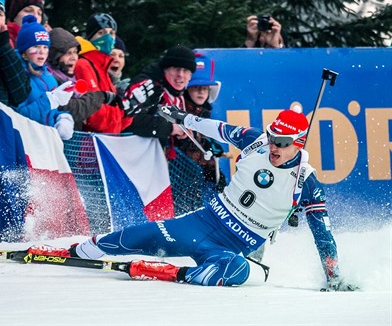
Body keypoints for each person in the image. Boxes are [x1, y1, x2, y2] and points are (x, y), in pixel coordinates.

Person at [29, 106, 358, 291]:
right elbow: (217, 128)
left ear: (298, 143)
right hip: (204, 222)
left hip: (237, 247)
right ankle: (71, 251)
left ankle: (177, 274)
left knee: (239, 274)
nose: (273, 147)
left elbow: (323, 233)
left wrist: (334, 277)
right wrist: (182, 119)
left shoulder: (307, 182)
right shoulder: (256, 142)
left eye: (282, 143)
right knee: (137, 235)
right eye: (273, 138)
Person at [119, 45, 195, 154]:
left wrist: (183, 135)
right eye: (176, 69)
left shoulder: (177, 95)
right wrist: (170, 128)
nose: (180, 75)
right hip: (127, 156)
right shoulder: (147, 85)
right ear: (165, 69)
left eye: (186, 70)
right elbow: (128, 120)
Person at [14, 15, 74, 140]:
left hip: (47, 143)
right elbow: (19, 115)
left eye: (45, 47)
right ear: (24, 51)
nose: (41, 51)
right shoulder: (17, 75)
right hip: (27, 141)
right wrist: (50, 100)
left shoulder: (49, 77)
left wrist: (63, 118)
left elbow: (52, 111)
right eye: (36, 46)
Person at [176, 53, 228, 201]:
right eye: (196, 87)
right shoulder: (180, 110)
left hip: (198, 172)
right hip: (182, 173)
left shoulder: (204, 113)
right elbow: (183, 148)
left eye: (205, 88)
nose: (201, 92)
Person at [47, 27, 116, 130]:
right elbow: (72, 109)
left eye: (75, 52)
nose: (74, 57)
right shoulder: (50, 79)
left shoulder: (71, 80)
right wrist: (100, 96)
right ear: (55, 56)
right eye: (68, 53)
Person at [74, 13, 131, 133]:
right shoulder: (83, 65)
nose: (108, 38)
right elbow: (93, 115)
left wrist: (131, 110)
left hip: (108, 143)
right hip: (89, 146)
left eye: (112, 33)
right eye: (101, 33)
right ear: (90, 37)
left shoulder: (103, 67)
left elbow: (118, 124)